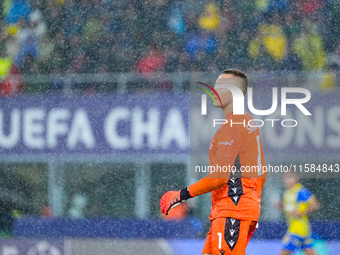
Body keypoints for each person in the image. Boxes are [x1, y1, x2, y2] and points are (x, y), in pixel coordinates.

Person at [160, 69, 267, 255]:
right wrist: (252, 203)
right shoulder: (247, 123)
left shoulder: (233, 127)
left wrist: (181, 195)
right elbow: (261, 171)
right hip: (234, 210)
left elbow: (218, 178)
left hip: (231, 212)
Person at [277, 171, 320, 255]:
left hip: (297, 229)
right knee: (310, 252)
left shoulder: (301, 191)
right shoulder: (287, 193)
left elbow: (315, 205)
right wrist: (281, 206)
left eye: (290, 177)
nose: (287, 180)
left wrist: (301, 213)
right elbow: (290, 210)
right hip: (299, 228)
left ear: (296, 178)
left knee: (283, 252)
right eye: (285, 178)